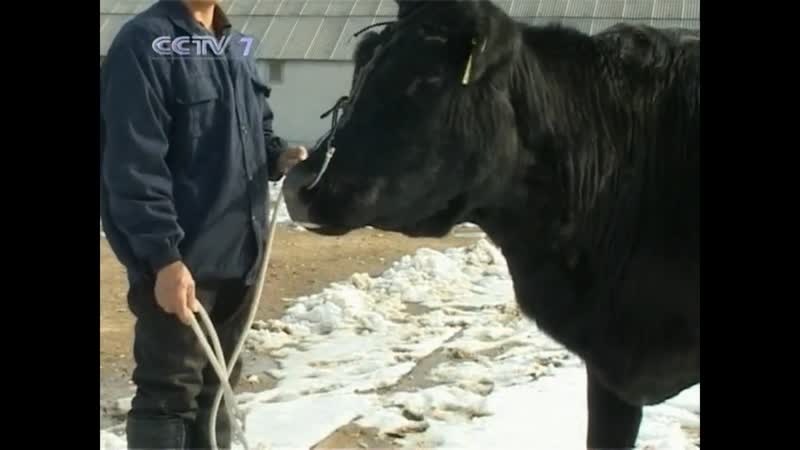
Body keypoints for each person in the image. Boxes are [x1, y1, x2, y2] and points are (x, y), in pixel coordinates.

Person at [99, 1, 307, 448]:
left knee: (220, 390)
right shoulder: (143, 44)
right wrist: (163, 260)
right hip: (183, 263)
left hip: (242, 256)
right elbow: (133, 165)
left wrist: (277, 156)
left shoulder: (236, 44)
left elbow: (257, 127)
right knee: (170, 394)